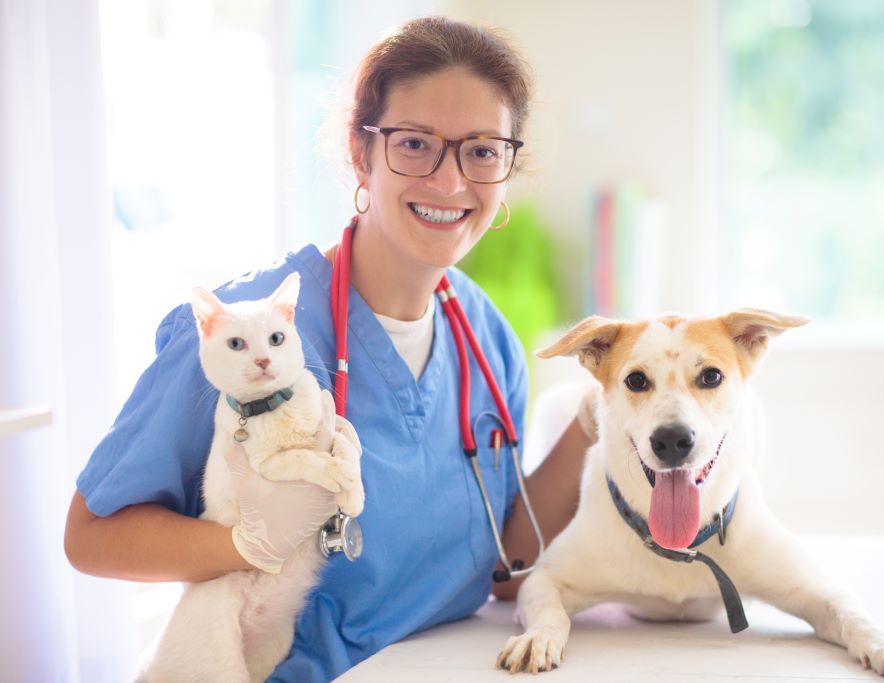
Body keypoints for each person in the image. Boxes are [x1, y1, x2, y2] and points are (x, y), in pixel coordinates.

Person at [63, 16, 595, 681]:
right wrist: (247, 545)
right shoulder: (243, 334)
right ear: (358, 151)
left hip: (445, 661)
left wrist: (591, 422)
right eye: (414, 144)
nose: (450, 181)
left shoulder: (488, 338)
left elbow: (506, 568)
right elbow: (91, 537)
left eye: (483, 151)